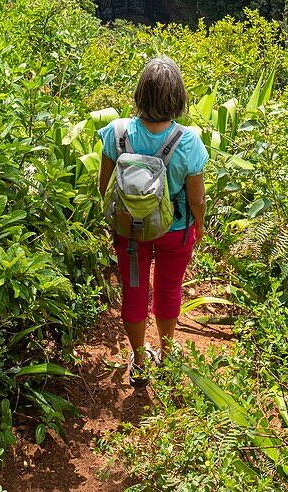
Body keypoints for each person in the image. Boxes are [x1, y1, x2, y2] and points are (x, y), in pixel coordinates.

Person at [97, 55, 208, 386]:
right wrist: (198, 225)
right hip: (175, 231)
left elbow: (105, 187)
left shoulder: (116, 133)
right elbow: (197, 198)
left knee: (134, 292)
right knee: (169, 287)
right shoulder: (188, 141)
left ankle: (140, 361)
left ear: (140, 94)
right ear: (178, 97)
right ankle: (168, 352)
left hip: (130, 230)